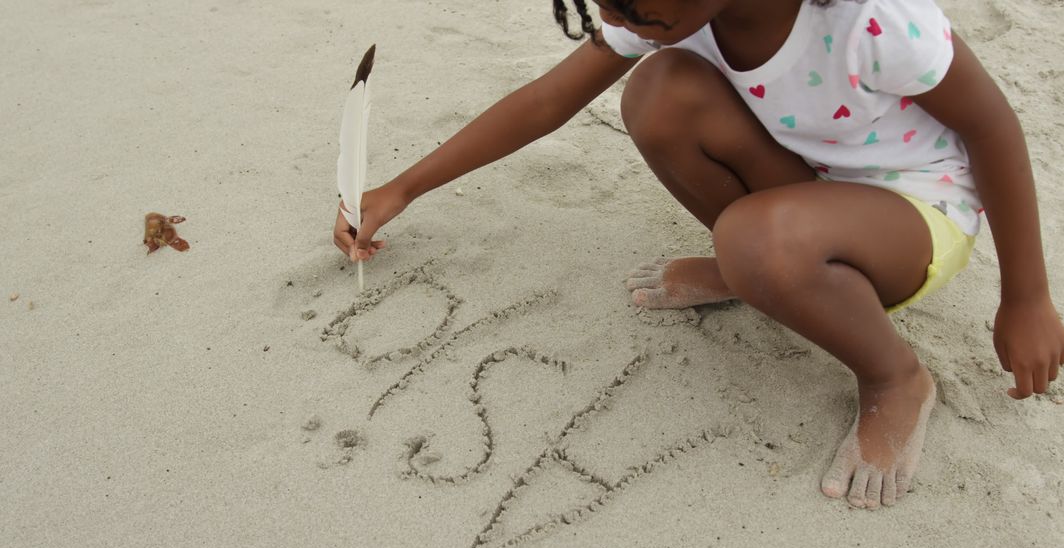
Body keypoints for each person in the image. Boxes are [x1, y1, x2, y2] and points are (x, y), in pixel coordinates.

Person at [332, 0, 1064, 509]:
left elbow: (993, 126)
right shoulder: (662, 4)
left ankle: (896, 376)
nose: (613, 20)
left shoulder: (868, 17)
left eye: (630, 10)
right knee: (657, 92)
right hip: (806, 183)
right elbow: (544, 101)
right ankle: (762, 270)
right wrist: (402, 188)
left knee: (755, 240)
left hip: (913, 213)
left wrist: (1026, 297)